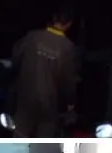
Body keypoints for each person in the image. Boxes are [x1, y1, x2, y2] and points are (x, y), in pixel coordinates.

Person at [9, 8, 77, 137]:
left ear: (53, 18)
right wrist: (70, 102)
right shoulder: (68, 47)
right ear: (69, 24)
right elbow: (68, 80)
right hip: (50, 104)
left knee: (18, 137)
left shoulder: (32, 37)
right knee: (43, 142)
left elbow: (15, 59)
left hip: (25, 98)